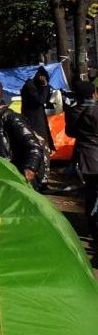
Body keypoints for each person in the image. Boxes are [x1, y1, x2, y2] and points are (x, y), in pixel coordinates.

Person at [66, 81, 98, 243]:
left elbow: (70, 132)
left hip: (85, 156)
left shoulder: (72, 111)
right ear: (94, 93)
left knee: (92, 192)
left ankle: (92, 227)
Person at [20, 67, 55, 153]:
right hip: (34, 120)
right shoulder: (30, 86)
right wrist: (45, 86)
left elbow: (45, 99)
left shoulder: (34, 85)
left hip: (38, 117)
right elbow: (41, 100)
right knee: (38, 141)